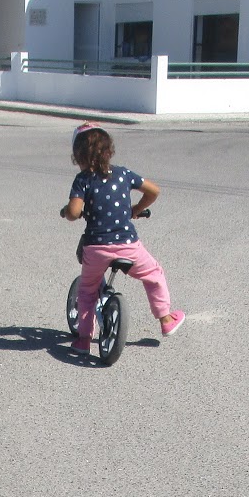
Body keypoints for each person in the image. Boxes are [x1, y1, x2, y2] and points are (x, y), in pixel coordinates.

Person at [60, 123, 184, 352]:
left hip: (96, 248)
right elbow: (154, 190)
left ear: (77, 156)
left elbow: (74, 212)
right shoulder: (123, 174)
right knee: (154, 275)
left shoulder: (83, 180)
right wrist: (135, 209)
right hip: (128, 246)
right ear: (109, 151)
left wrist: (67, 212)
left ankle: (84, 339)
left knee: (87, 291)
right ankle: (165, 319)